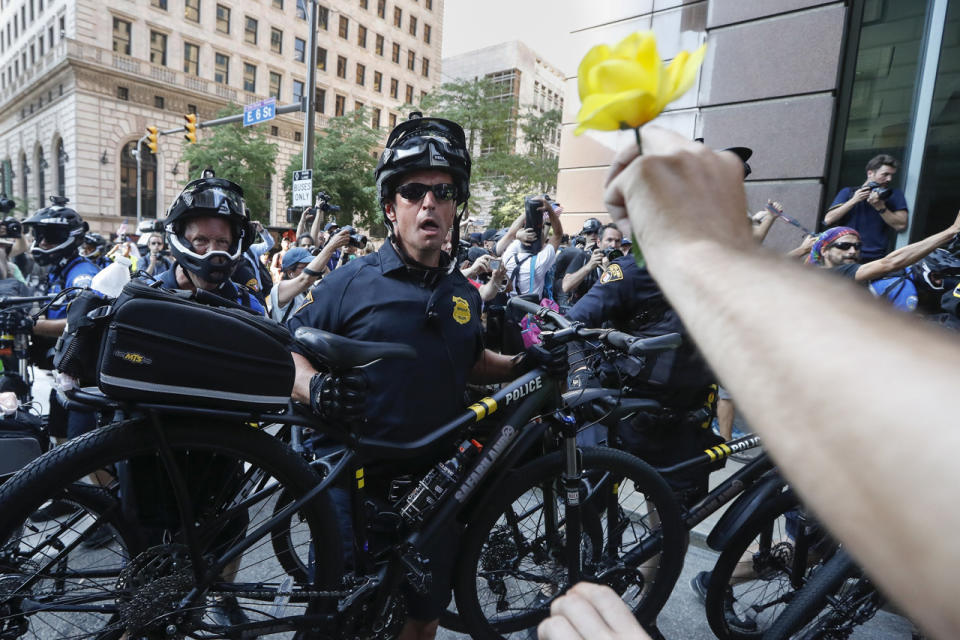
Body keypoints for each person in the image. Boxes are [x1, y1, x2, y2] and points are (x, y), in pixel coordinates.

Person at [603, 124, 960, 640]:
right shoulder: (825, 276)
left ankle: (711, 584)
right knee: (802, 525)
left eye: (857, 247)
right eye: (844, 246)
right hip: (786, 419)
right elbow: (887, 260)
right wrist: (947, 234)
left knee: (785, 528)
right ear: (825, 252)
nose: (853, 253)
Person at [288, 113, 564, 640]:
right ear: (391, 208)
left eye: (442, 191)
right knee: (339, 619)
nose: (429, 203)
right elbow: (287, 354)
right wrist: (315, 387)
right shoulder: (350, 282)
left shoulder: (462, 293)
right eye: (413, 191)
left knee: (424, 611)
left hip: (435, 483)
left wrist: (522, 364)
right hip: (353, 479)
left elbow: (469, 360)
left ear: (456, 207)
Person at [158, 177, 264, 314]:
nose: (213, 251)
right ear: (178, 240)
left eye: (222, 241)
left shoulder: (249, 307)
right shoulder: (145, 295)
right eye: (200, 240)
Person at [823, 154, 908, 261]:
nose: (889, 179)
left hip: (876, 257)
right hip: (846, 254)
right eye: (885, 174)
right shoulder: (848, 192)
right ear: (870, 173)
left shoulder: (894, 194)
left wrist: (880, 206)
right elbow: (828, 219)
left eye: (891, 175)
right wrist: (854, 200)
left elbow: (900, 225)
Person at [268, 228, 350, 322]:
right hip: (287, 336)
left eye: (310, 264)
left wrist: (344, 254)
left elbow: (332, 282)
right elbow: (305, 280)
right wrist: (331, 245)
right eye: (305, 267)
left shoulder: (311, 287)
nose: (311, 268)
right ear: (290, 273)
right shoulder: (279, 289)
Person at [499, 200, 564, 299]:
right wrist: (550, 210)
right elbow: (558, 234)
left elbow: (511, 234)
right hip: (531, 312)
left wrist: (518, 234)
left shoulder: (508, 257)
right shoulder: (539, 262)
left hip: (511, 310)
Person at [562, 222, 624, 303]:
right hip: (584, 312)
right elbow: (566, 287)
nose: (613, 245)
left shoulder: (623, 263)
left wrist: (609, 271)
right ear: (598, 242)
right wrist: (589, 266)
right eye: (609, 240)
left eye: (617, 241)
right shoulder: (584, 257)